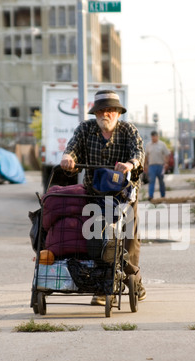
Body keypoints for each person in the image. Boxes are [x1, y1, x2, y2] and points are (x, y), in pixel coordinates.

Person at [60, 89, 146, 306]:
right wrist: (68, 158)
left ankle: (133, 280)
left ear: (117, 113)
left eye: (110, 110)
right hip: (95, 194)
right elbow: (72, 149)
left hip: (123, 195)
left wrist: (130, 164)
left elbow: (138, 153)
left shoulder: (128, 130)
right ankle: (102, 286)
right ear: (95, 113)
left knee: (128, 241)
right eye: (101, 110)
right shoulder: (85, 129)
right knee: (96, 239)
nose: (105, 114)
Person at [145, 131, 170, 200]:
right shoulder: (148, 145)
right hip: (151, 166)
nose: (153, 138)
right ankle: (151, 196)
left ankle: (163, 195)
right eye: (152, 136)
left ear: (157, 136)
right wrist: (145, 165)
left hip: (160, 166)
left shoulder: (162, 144)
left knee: (161, 181)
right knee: (151, 181)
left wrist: (166, 163)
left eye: (155, 136)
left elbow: (167, 154)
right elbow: (146, 156)